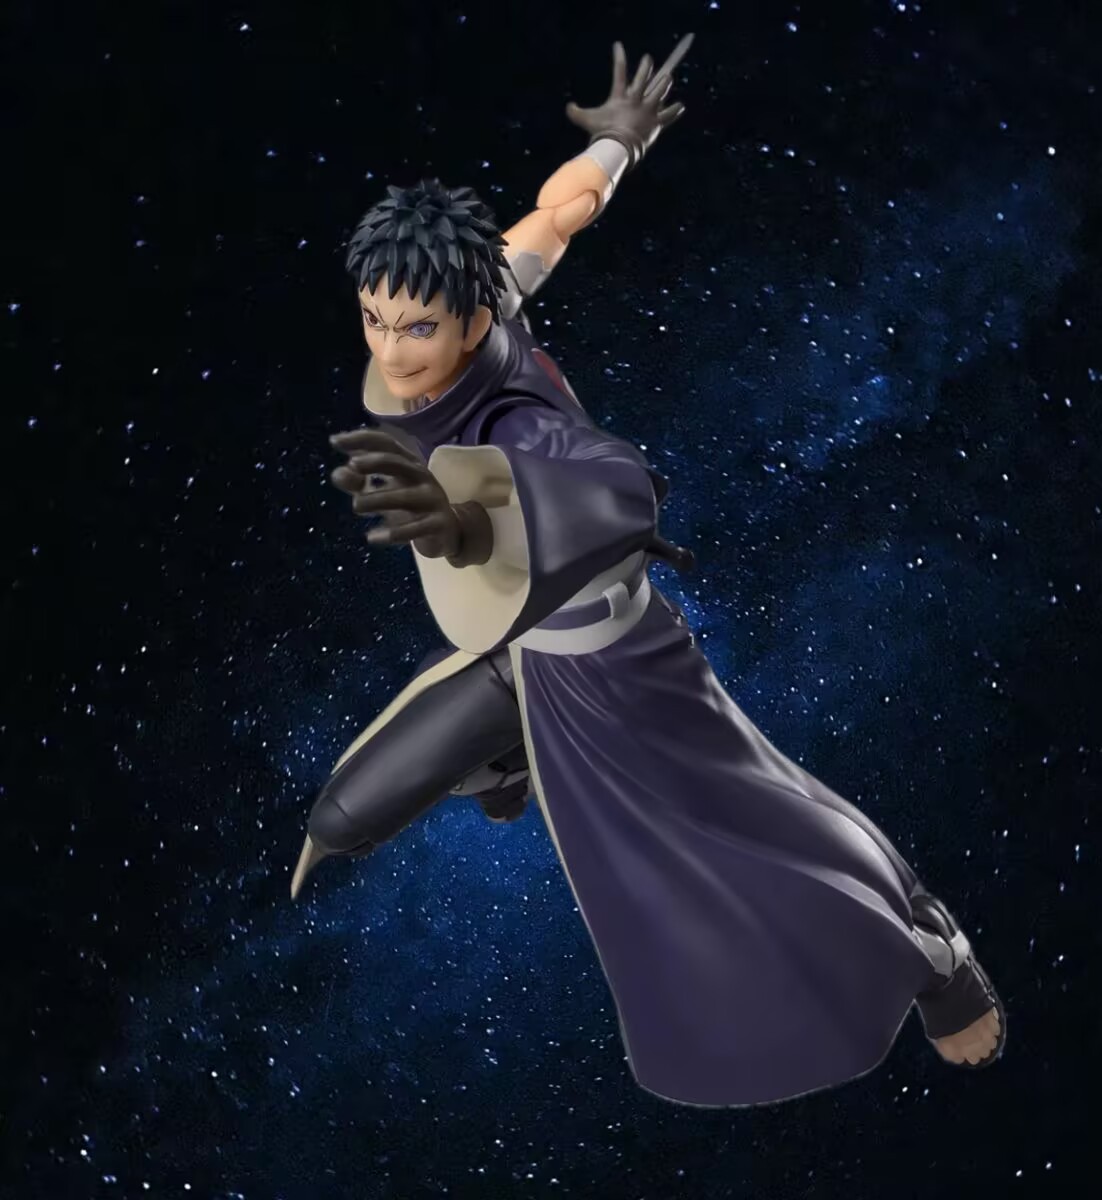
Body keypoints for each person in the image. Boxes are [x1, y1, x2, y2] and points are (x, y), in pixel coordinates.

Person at [290, 35, 1005, 1107]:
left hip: (622, 663)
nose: (393, 351)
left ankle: (934, 953)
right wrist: (618, 143)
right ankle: (507, 769)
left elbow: (612, 488)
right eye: (376, 321)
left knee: (760, 817)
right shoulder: (479, 295)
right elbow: (558, 215)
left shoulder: (519, 418)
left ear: (472, 319)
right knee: (468, 828)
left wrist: (463, 521)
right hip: (532, 666)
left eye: (417, 328)